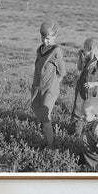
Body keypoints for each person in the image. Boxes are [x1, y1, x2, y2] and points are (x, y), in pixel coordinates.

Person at [31, 20, 66, 148]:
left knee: (45, 116)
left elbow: (62, 72)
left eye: (47, 38)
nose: (45, 41)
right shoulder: (39, 49)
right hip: (37, 86)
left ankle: (50, 146)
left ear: (54, 36)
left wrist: (54, 83)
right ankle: (43, 136)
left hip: (49, 88)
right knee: (36, 109)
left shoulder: (56, 51)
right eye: (42, 37)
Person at [72, 37, 98, 135]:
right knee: (79, 110)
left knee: (93, 113)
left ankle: (94, 133)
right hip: (81, 91)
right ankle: (78, 132)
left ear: (90, 48)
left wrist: (94, 83)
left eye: (84, 48)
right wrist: (80, 57)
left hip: (93, 93)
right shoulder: (86, 60)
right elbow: (79, 67)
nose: (83, 50)